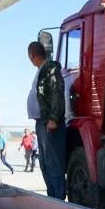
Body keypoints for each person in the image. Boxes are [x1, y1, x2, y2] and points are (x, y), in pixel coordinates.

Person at [27, 41, 66, 199]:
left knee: (53, 163)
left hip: (49, 122)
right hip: (42, 122)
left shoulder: (50, 68)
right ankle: (53, 197)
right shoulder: (42, 70)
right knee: (45, 163)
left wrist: (54, 118)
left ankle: (59, 199)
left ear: (32, 56)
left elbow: (57, 92)